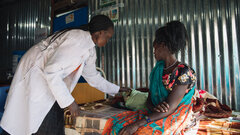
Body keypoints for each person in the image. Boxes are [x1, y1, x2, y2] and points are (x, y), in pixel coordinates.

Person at [0, 15, 130, 135]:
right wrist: (70, 102)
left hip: (47, 83)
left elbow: (94, 77)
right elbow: (51, 71)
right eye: (107, 37)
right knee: (40, 120)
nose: (107, 41)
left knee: (49, 119)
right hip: (36, 77)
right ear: (99, 33)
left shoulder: (89, 49)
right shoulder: (77, 40)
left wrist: (118, 89)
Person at [102, 21, 197, 135]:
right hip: (155, 114)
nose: (153, 51)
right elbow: (149, 100)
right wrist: (155, 106)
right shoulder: (158, 70)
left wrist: (137, 124)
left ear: (163, 45)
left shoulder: (184, 72)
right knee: (116, 125)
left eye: (155, 47)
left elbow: (170, 109)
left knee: (142, 132)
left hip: (175, 115)